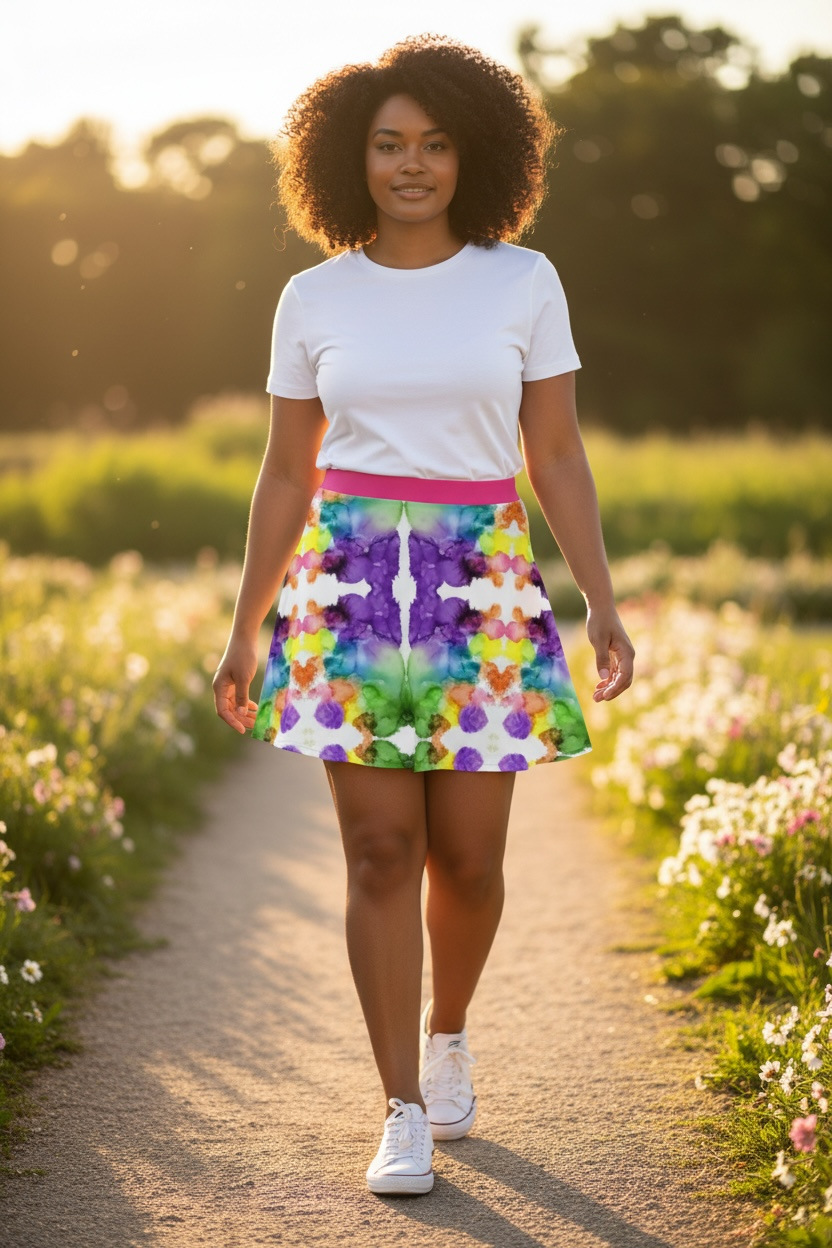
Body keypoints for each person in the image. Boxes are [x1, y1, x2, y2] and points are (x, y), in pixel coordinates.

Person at [212, 34, 635, 1197]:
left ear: (473, 155)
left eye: (435, 145)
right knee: (380, 848)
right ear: (350, 160)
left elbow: (554, 450)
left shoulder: (523, 281)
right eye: (389, 145)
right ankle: (399, 1101)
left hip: (484, 577)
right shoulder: (312, 296)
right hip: (347, 582)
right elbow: (287, 476)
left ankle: (450, 1031)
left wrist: (598, 598)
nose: (411, 165)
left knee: (471, 857)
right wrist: (246, 627)